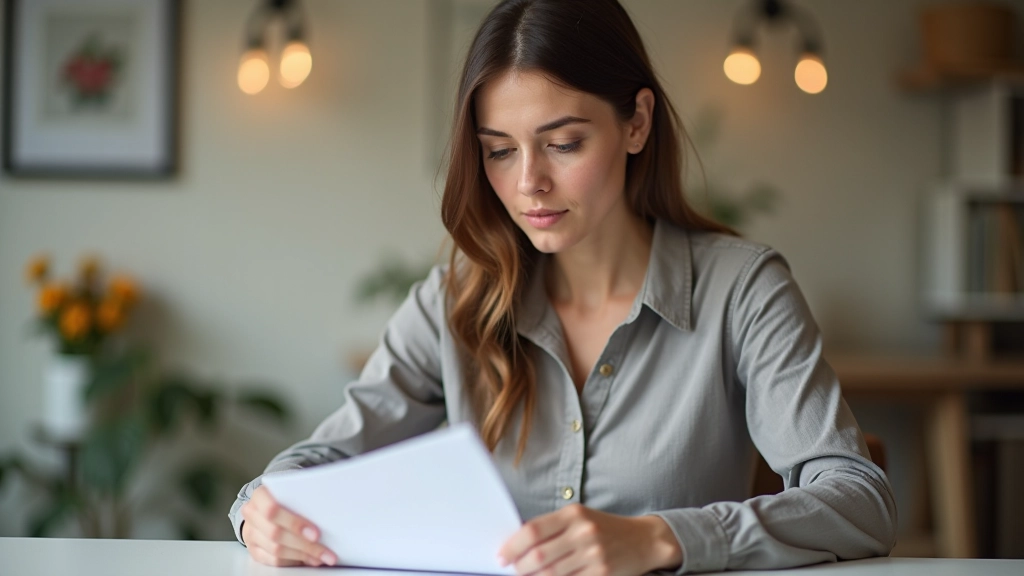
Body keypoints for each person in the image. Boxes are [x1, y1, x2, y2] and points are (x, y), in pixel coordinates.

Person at [229, 0, 898, 573]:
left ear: (636, 122)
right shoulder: (450, 303)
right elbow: (315, 463)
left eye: (564, 143)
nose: (528, 185)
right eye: (499, 150)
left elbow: (859, 501)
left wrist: (661, 538)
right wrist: (260, 510)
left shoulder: (744, 290)